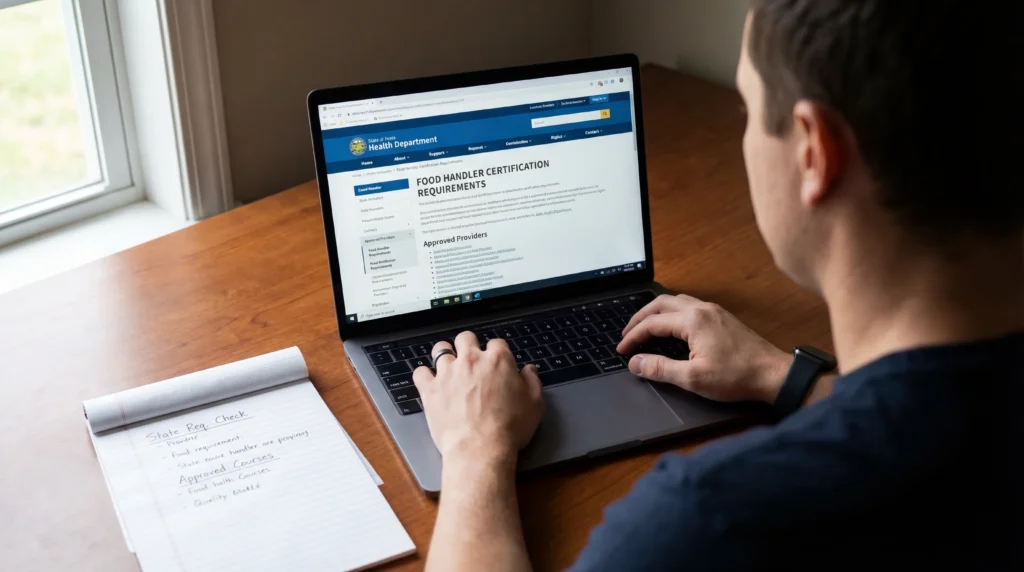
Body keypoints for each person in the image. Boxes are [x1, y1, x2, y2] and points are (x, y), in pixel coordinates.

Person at [411, 0, 1023, 569]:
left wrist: (475, 450)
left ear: (815, 152)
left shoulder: (708, 523)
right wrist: (782, 377)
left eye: (748, 110)